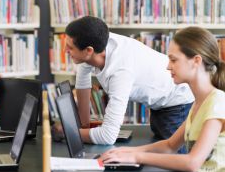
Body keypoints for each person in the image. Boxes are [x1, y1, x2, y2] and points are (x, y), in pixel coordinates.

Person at [101, 26, 225, 172]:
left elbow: (193, 163)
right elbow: (170, 145)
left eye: (174, 60)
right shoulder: (199, 102)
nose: (167, 66)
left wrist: (137, 157)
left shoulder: (216, 102)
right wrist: (126, 151)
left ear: (196, 61)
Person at [62, 16, 194, 152]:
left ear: (88, 51)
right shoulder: (96, 41)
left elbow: (108, 136)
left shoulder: (121, 71)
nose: (65, 51)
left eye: (70, 47)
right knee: (160, 146)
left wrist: (68, 132)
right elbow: (82, 82)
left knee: (173, 156)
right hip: (158, 103)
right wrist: (83, 127)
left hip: (176, 102)